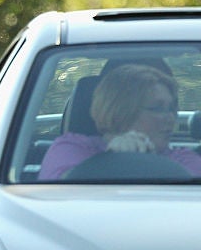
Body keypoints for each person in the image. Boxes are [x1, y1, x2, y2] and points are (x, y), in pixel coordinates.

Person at [39, 64, 201, 180]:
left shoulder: (183, 158)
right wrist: (113, 159)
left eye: (171, 109)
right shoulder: (70, 149)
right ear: (121, 111)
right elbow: (59, 196)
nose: (170, 118)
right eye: (157, 109)